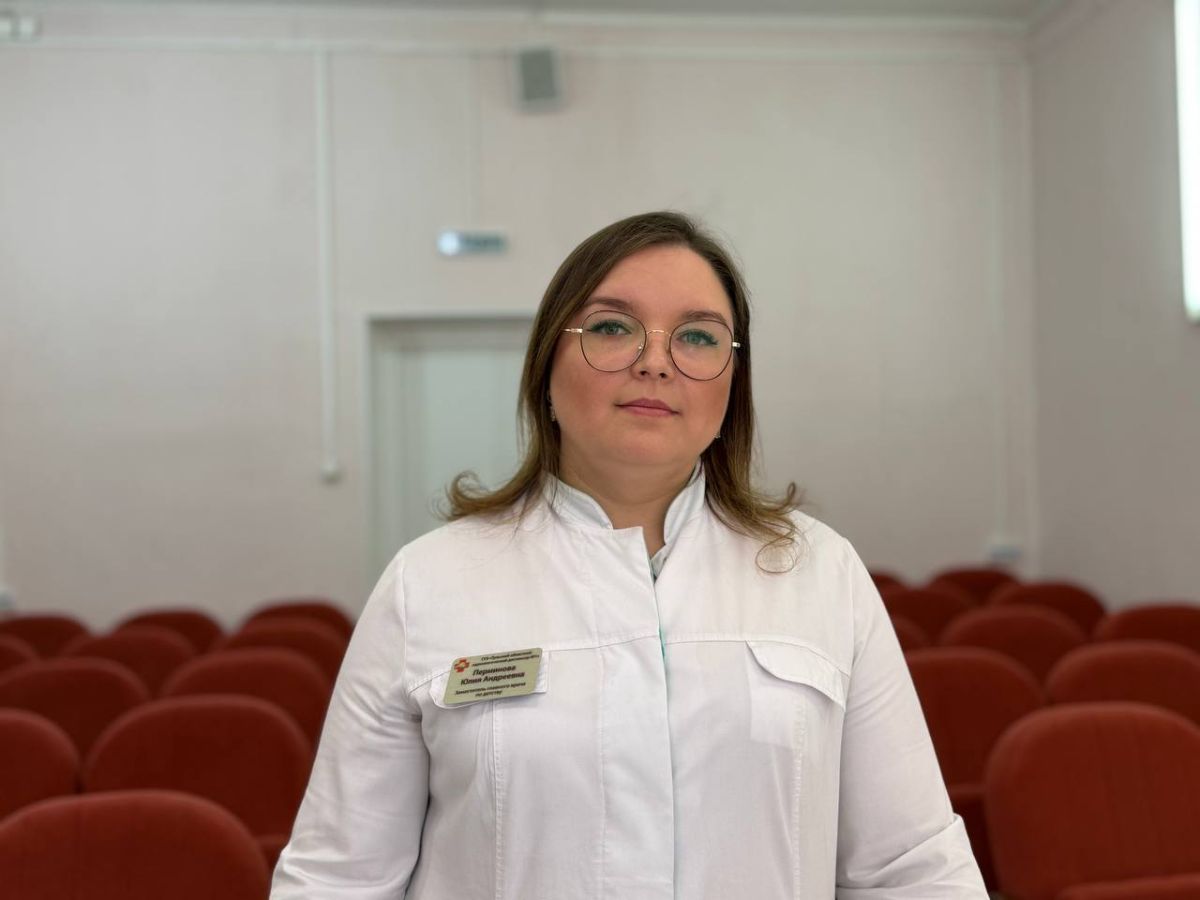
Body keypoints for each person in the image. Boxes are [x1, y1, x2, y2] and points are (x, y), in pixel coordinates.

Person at [271, 211, 986, 898]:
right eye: (613, 328)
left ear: (732, 387)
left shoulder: (821, 573)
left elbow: (911, 868)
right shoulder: (427, 583)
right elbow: (339, 879)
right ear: (546, 371)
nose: (656, 362)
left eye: (698, 337)